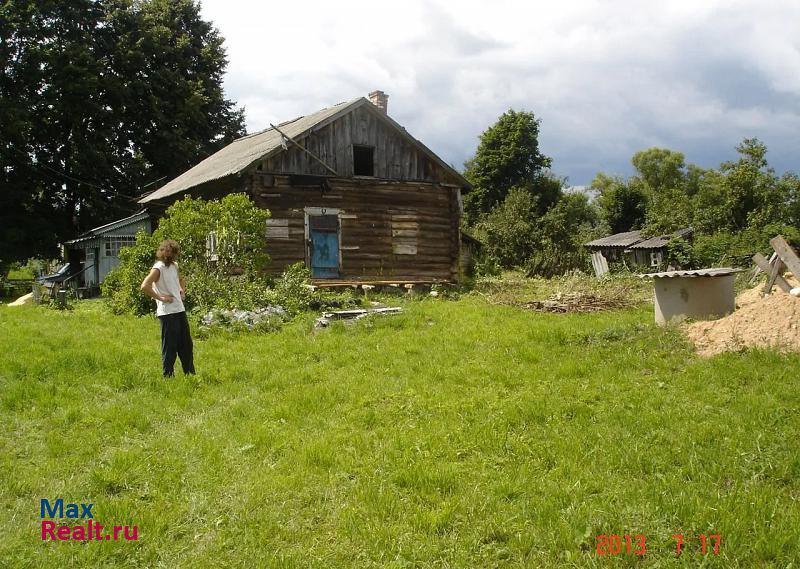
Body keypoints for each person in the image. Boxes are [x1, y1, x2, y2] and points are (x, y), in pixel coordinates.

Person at [140, 239, 195, 377]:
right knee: (170, 347)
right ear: (162, 252)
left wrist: (182, 290)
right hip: (167, 313)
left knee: (186, 345)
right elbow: (145, 286)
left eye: (172, 253)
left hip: (179, 309)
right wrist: (160, 298)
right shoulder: (158, 268)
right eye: (167, 252)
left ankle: (190, 375)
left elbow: (181, 279)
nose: (169, 256)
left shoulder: (174, 266)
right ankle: (168, 376)